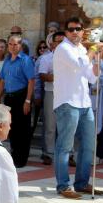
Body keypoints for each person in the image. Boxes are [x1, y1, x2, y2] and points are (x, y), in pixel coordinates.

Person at [52, 17, 103, 199]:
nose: (75, 32)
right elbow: (78, 64)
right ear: (66, 32)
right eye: (71, 29)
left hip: (84, 103)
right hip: (67, 102)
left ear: (83, 31)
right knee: (65, 147)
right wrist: (92, 50)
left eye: (78, 29)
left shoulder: (82, 49)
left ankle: (81, 183)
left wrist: (98, 58)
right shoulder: (63, 48)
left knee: (89, 146)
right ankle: (63, 186)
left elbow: (91, 77)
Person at [0, 35, 36, 168]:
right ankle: (14, 155)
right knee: (11, 128)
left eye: (16, 44)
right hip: (9, 97)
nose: (13, 47)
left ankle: (21, 159)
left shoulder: (26, 60)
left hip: (22, 96)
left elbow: (31, 80)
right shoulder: (7, 61)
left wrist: (27, 100)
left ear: (20, 45)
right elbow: (2, 80)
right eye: (11, 44)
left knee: (23, 129)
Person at [37, 31, 65, 164]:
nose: (60, 44)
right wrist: (58, 76)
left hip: (67, 94)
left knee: (66, 125)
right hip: (51, 93)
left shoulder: (72, 57)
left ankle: (68, 154)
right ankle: (48, 153)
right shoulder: (46, 58)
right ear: (52, 43)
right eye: (58, 41)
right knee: (50, 125)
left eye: (62, 41)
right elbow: (43, 76)